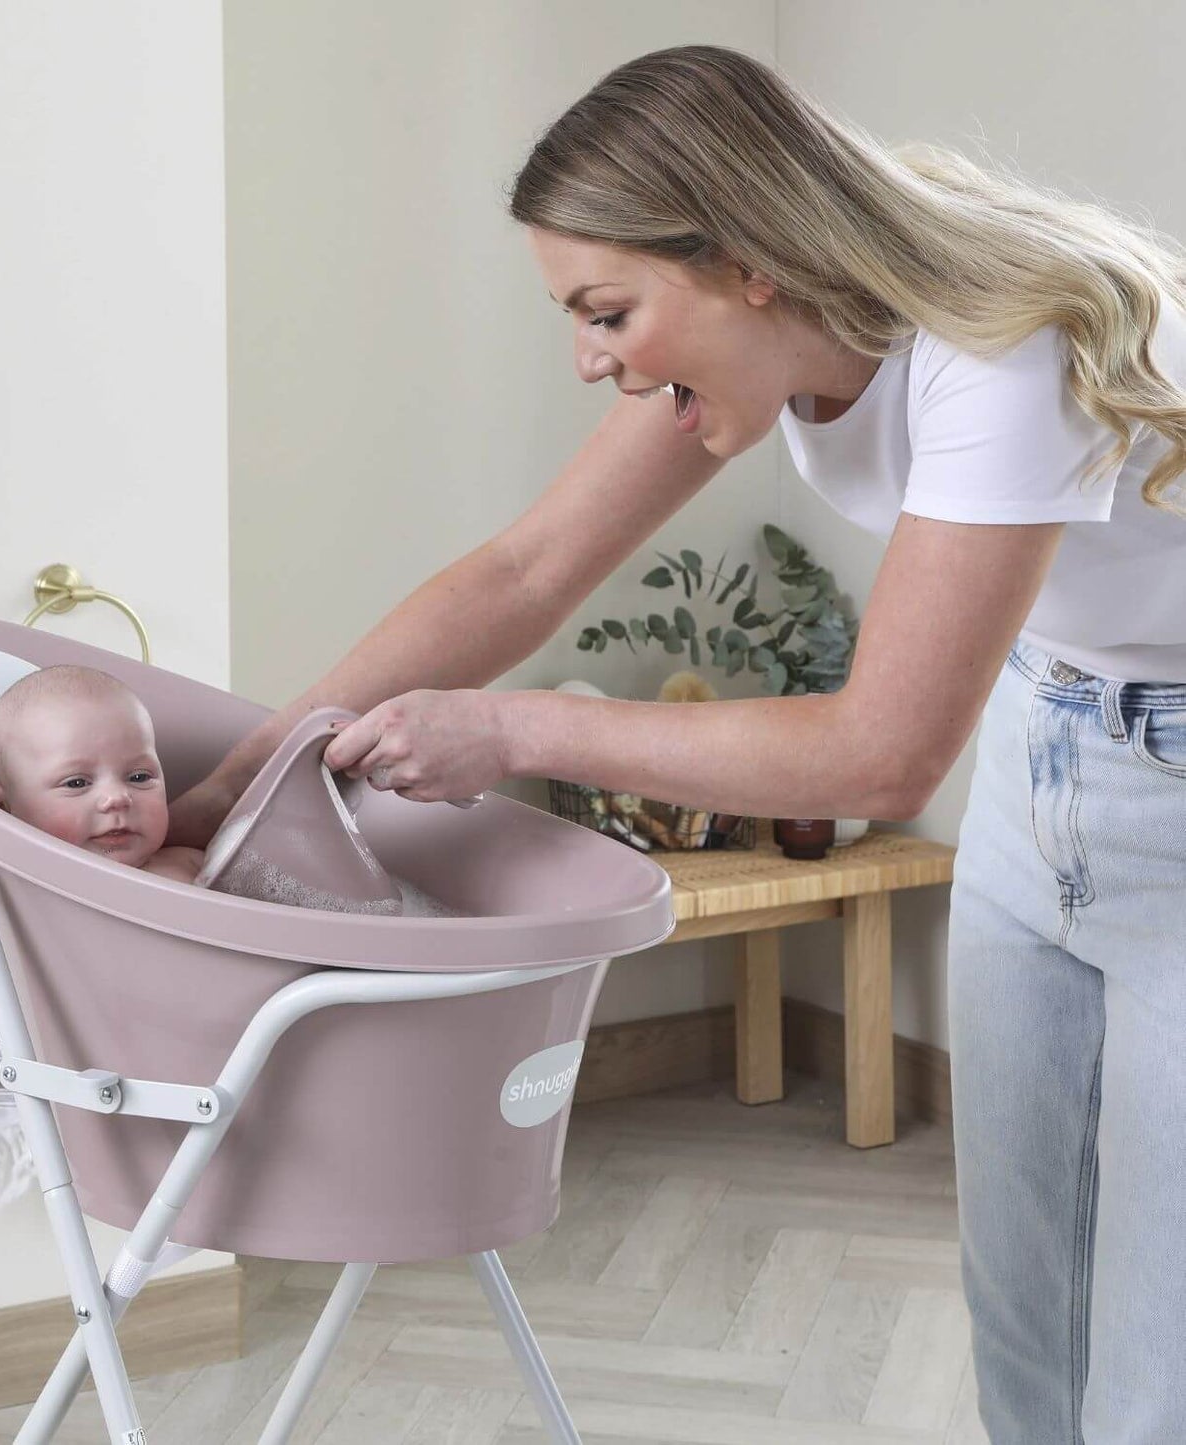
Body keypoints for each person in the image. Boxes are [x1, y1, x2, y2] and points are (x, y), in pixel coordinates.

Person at [167, 44, 1186, 1439]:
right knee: (1025, 1294)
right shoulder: (764, 341)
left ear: (748, 260)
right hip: (1047, 733)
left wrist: (527, 728)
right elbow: (525, 574)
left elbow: (881, 755)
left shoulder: (997, 351)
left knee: (1158, 1352)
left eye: (607, 310)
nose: (591, 357)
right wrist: (233, 777)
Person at [0, 665, 206, 886]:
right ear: (2, 809)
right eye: (76, 782)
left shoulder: (192, 864)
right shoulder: (35, 889)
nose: (117, 798)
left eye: (139, 777)